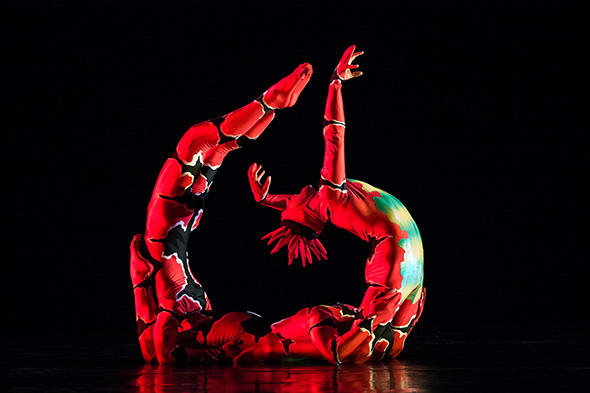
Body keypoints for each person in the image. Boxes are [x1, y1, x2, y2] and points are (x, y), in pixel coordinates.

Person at [237, 45, 426, 364]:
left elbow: (295, 209)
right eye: (291, 203)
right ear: (309, 215)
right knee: (359, 338)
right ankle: (294, 346)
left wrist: (266, 200)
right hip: (396, 252)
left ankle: (377, 336)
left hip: (406, 254)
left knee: (386, 332)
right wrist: (335, 84)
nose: (292, 196)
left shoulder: (320, 205)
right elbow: (334, 135)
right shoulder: (330, 196)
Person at [129, 62, 313, 364]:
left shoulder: (164, 333)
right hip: (176, 229)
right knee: (211, 148)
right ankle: (271, 105)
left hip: (166, 232)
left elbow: (159, 351)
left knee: (198, 145)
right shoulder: (198, 315)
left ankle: (271, 104)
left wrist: (140, 282)